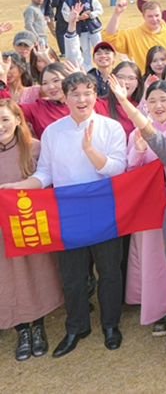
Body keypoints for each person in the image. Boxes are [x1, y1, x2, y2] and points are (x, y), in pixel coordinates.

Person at [1, 72, 127, 358]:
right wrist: (18, 187)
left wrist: (89, 150)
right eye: (75, 94)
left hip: (103, 206)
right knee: (71, 274)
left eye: (87, 93)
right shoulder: (53, 131)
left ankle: (110, 325)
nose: (82, 99)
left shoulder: (111, 127)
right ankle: (76, 327)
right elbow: (45, 173)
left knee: (109, 271)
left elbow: (117, 169)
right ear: (64, 97)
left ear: (95, 96)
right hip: (67, 210)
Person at [112, 78, 166, 335]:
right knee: (154, 259)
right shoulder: (137, 132)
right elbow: (130, 171)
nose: (158, 105)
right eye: (152, 101)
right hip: (150, 208)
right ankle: (162, 310)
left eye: (164, 99)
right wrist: (139, 151)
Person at [0, 99, 62, 361]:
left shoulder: (34, 147)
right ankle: (21, 330)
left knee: (36, 275)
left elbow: (48, 182)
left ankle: (38, 327)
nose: (0, 125)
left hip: (29, 226)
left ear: (17, 120)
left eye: (4, 119)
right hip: (2, 232)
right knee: (7, 279)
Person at [103, 0, 166, 74]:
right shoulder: (133, 34)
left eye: (157, 15)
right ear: (143, 17)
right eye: (150, 16)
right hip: (144, 81)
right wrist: (117, 14)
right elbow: (110, 37)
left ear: (161, 14)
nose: (154, 19)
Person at [60, 0, 105, 70]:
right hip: (81, 30)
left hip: (93, 27)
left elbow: (99, 10)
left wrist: (90, 15)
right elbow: (66, 17)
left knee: (100, 48)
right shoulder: (68, 2)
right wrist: (78, 18)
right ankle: (87, 68)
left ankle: (102, 66)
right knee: (85, 51)